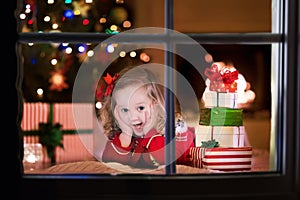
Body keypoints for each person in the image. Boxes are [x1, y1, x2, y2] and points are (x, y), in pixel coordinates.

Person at [96, 66, 195, 168]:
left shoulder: (171, 129)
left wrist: (148, 129)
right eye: (125, 110)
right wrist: (125, 137)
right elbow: (108, 161)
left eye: (140, 108)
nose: (133, 117)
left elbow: (165, 158)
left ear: (155, 105)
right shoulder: (122, 134)